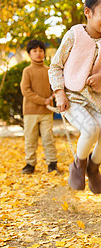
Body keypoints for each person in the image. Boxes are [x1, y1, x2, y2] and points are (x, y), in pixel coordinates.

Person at [48, 0, 101, 194]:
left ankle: (93, 167)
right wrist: (59, 92)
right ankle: (78, 165)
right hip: (72, 96)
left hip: (97, 98)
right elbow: (55, 66)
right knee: (90, 130)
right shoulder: (74, 35)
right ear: (88, 13)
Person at [20, 39, 58, 174]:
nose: (38, 53)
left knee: (48, 137)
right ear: (29, 54)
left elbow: (55, 87)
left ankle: (52, 163)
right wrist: (43, 101)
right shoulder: (27, 71)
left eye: (41, 50)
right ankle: (30, 163)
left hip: (47, 112)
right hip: (31, 112)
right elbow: (26, 90)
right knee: (30, 138)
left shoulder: (49, 70)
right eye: (34, 51)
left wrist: (54, 96)